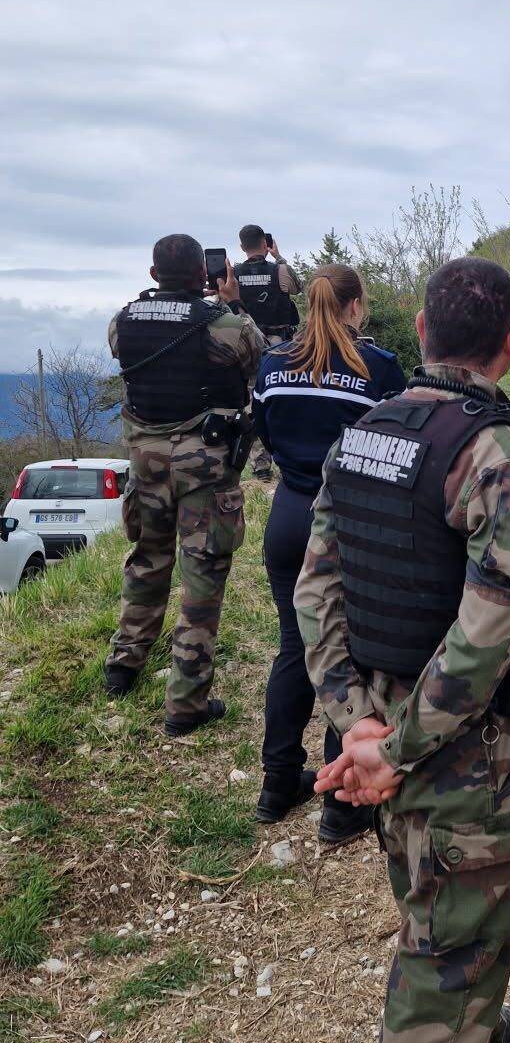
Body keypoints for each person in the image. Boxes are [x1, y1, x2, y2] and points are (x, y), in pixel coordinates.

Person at [296, 258, 510, 1043]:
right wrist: (400, 746)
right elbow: (495, 622)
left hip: (383, 720)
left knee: (447, 905)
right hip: (460, 751)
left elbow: (316, 587)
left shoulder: (361, 435)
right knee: (444, 948)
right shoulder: (497, 455)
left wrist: (356, 725)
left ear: (418, 326)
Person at [251, 264, 407, 844]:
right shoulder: (379, 368)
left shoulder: (272, 366)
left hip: (289, 512)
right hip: (347, 519)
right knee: (353, 655)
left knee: (296, 644)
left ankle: (276, 784)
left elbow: (264, 432)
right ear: (355, 306)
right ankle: (341, 808)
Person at [104, 233, 264, 735]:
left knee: (147, 561)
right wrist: (231, 301)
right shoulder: (225, 324)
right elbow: (256, 356)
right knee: (201, 583)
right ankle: (185, 704)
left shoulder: (122, 321)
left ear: (153, 274)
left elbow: (124, 352)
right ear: (204, 274)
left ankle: (123, 665)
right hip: (205, 470)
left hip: (145, 465)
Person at [233, 224, 302, 480]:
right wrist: (279, 257)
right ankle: (286, 457)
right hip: (278, 345)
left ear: (242, 247)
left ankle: (260, 466)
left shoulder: (234, 275)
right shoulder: (279, 269)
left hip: (246, 347)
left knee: (251, 404)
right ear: (266, 243)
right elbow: (298, 287)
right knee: (280, 399)